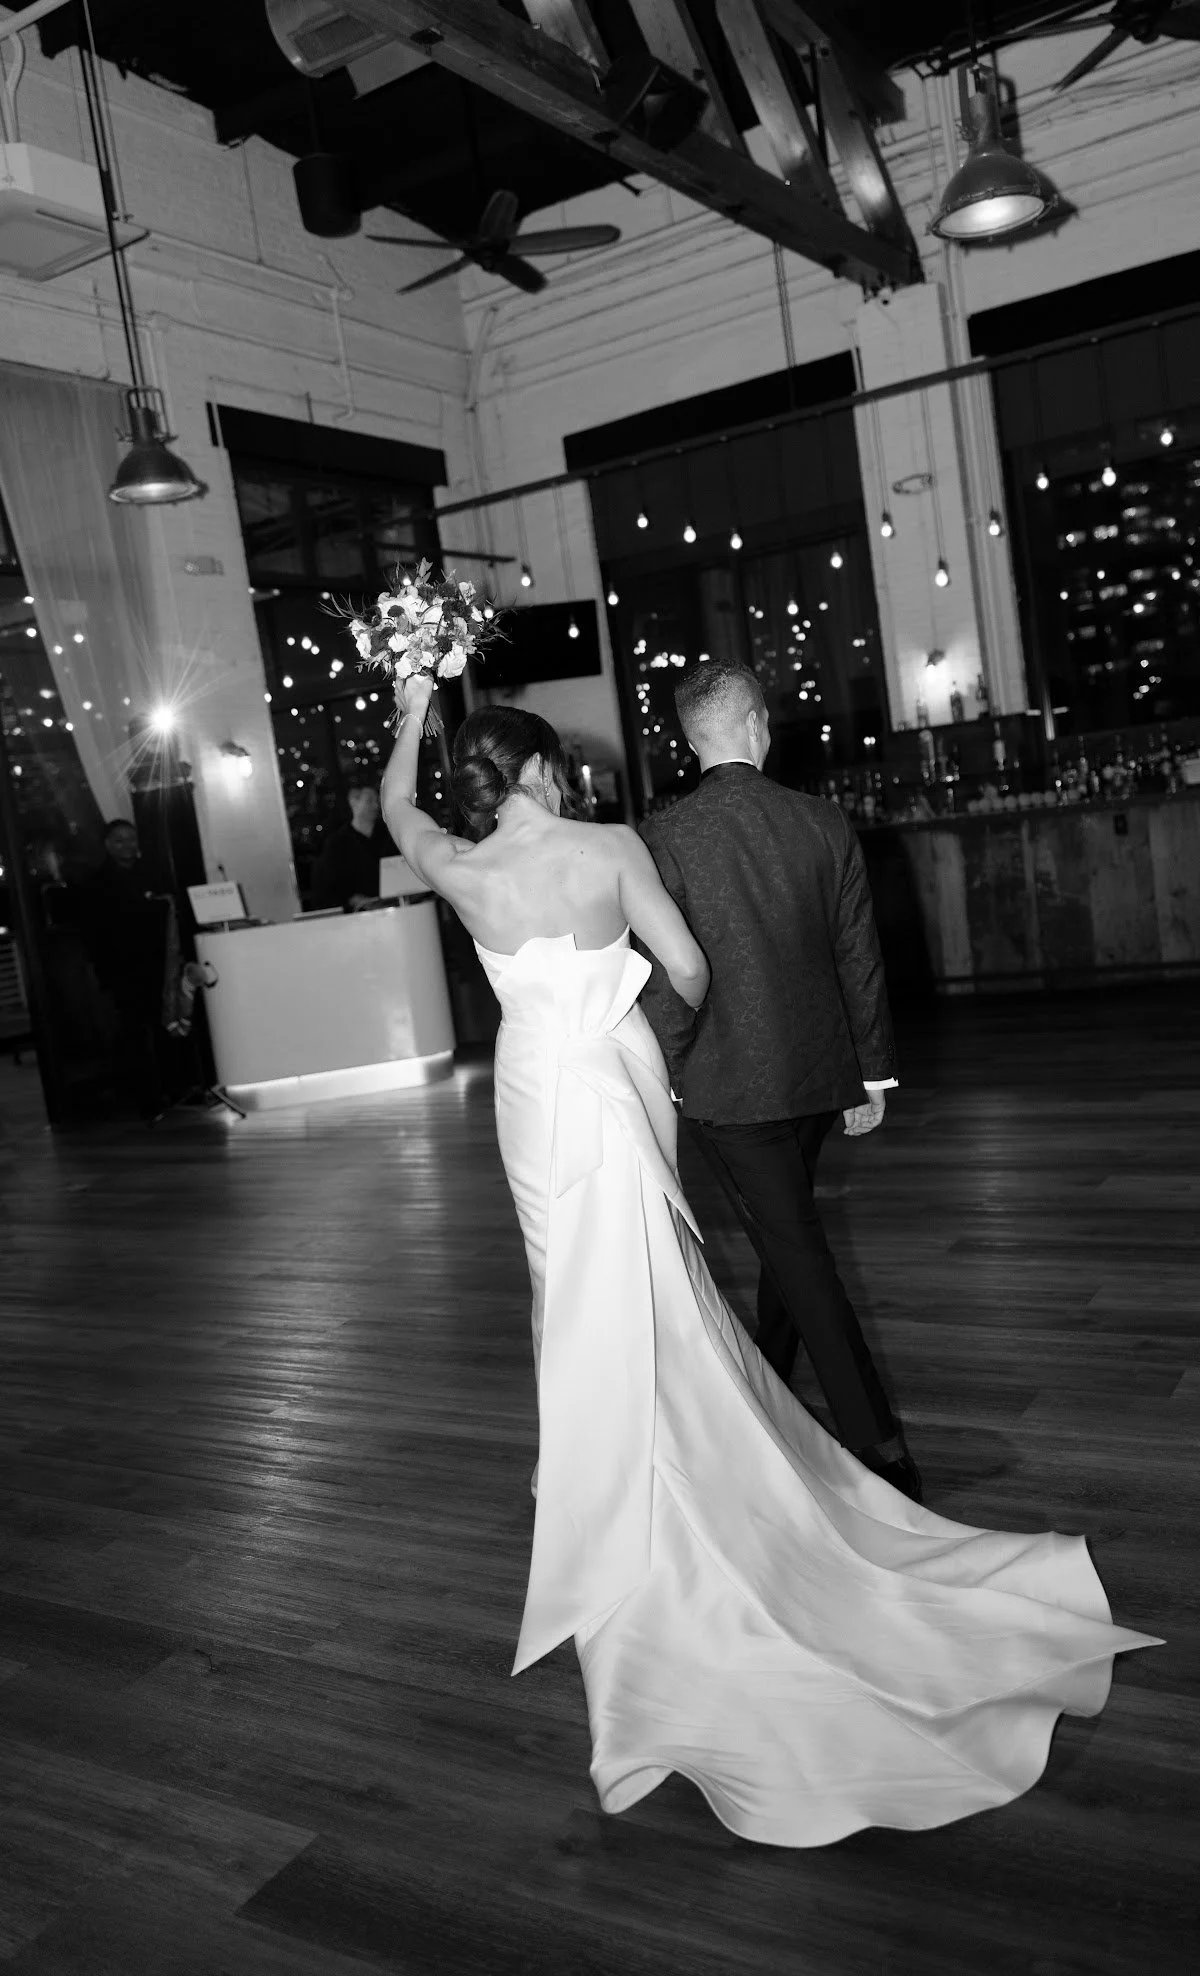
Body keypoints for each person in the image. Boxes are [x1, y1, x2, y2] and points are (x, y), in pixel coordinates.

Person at [381, 670, 1157, 1850]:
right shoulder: (610, 847)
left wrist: (409, 704)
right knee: (646, 1269)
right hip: (608, 1081)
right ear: (539, 769)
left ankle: (591, 1465)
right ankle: (670, 1458)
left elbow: (397, 804)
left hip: (531, 1095)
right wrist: (633, 1017)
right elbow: (689, 968)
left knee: (562, 1282)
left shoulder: (455, 865)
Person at [638, 663, 919, 1498]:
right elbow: (859, 957)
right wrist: (872, 1074)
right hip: (818, 1076)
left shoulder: (663, 836)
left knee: (795, 1247)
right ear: (758, 723)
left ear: (690, 738)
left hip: (728, 1087)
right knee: (787, 1236)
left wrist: (672, 1073)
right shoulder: (822, 821)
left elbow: (666, 976)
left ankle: (879, 1448)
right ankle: (773, 1377)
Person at [310, 782, 393, 911]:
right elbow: (331, 884)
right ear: (354, 802)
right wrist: (354, 900)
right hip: (357, 913)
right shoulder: (337, 843)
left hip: (394, 905)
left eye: (377, 801)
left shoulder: (388, 835)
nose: (376, 806)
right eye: (369, 801)